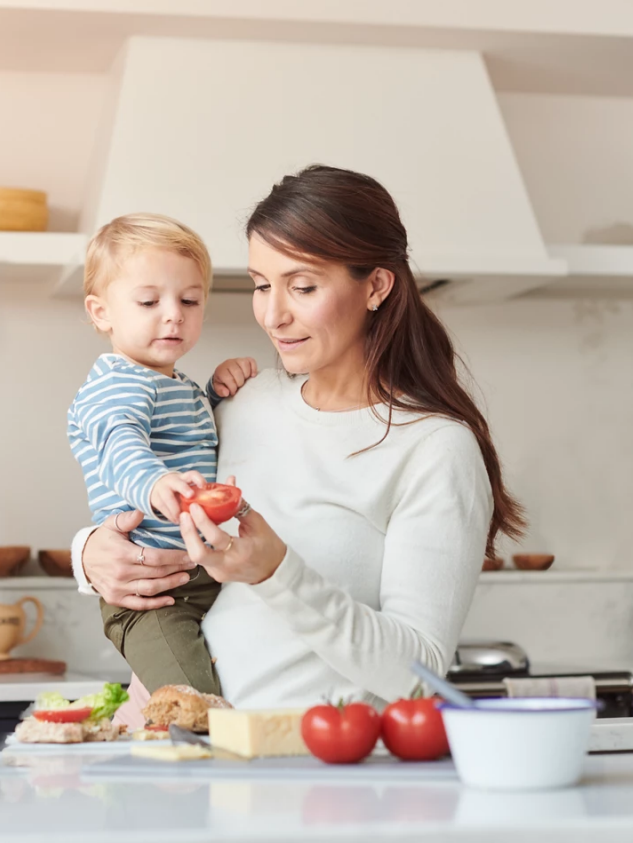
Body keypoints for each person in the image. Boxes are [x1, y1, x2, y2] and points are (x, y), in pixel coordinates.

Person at [70, 166, 526, 721]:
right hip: (178, 764)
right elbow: (135, 481)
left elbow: (419, 677)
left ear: (376, 286)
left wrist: (276, 571)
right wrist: (90, 554)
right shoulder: (241, 403)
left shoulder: (434, 449)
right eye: (262, 285)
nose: (272, 313)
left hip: (314, 783)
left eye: (303, 287)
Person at [66, 213, 257, 695]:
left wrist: (215, 393)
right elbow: (119, 441)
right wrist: (152, 484)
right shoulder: (117, 383)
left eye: (190, 300)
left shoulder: (175, 384)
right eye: (150, 301)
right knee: (193, 705)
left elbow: (196, 438)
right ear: (100, 312)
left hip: (203, 574)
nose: (173, 313)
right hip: (151, 594)